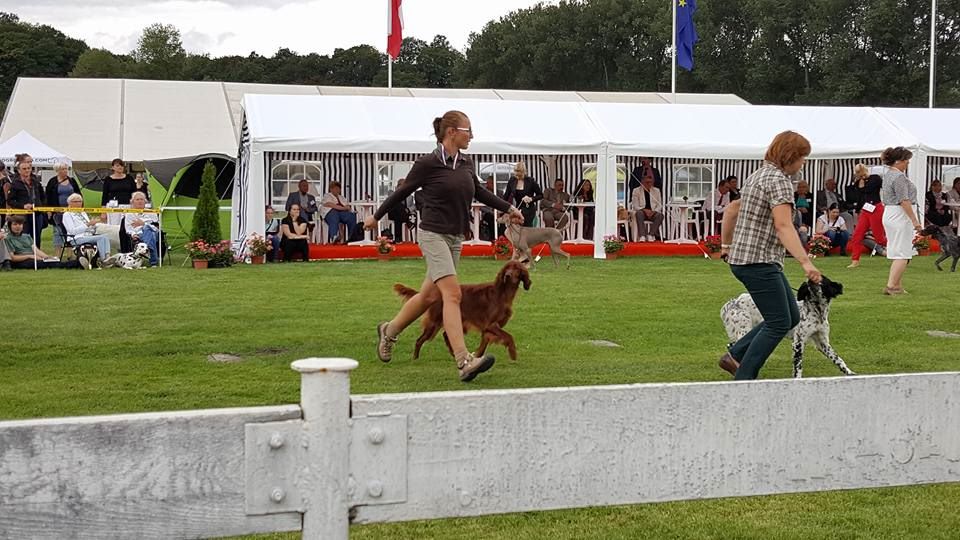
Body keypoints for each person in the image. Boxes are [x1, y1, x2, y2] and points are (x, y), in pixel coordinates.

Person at [364, 110, 523, 383]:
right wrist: (376, 216)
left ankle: (388, 331)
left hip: (454, 237)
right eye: (467, 130)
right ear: (452, 132)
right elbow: (401, 193)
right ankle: (464, 360)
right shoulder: (427, 163)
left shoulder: (466, 163)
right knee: (452, 296)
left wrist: (509, 207)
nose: (471, 135)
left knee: (429, 296)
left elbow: (479, 192)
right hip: (432, 234)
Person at [718, 130, 822, 380]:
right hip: (759, 262)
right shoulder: (779, 181)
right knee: (778, 322)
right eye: (802, 158)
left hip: (746, 259)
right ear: (791, 156)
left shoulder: (758, 175)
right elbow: (783, 226)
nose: (803, 164)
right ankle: (745, 375)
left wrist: (726, 245)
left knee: (790, 316)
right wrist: (806, 263)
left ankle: (736, 355)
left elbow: (733, 209)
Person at [879, 147, 921, 295]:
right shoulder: (899, 177)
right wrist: (915, 221)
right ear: (898, 161)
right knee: (903, 253)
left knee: (897, 251)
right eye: (906, 161)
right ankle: (891, 286)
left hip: (890, 213)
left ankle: (897, 286)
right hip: (899, 215)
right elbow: (904, 200)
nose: (907, 164)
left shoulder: (888, 175)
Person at [847, 163, 887, 267]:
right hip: (865, 210)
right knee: (857, 235)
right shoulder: (858, 182)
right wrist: (858, 209)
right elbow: (859, 196)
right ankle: (855, 260)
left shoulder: (875, 179)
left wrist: (862, 183)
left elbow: (868, 190)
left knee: (879, 238)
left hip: (876, 208)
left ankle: (898, 250)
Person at [3, 215, 76, 269]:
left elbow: (36, 250)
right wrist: (30, 256)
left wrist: (47, 257)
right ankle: (74, 264)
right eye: (15, 224)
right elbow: (13, 257)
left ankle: (76, 264)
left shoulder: (26, 236)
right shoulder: (8, 238)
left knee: (50, 261)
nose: (17, 227)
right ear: (10, 226)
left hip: (34, 258)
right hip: (21, 261)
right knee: (45, 264)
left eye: (20, 224)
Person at [7, 155, 47, 247]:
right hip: (23, 215)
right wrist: (23, 206)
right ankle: (25, 255)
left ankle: (37, 256)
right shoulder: (15, 183)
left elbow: (43, 196)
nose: (27, 170)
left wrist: (42, 208)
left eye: (29, 168)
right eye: (24, 169)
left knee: (37, 237)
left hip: (37, 214)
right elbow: (10, 201)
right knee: (24, 236)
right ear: (19, 170)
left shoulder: (35, 181)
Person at [61, 193, 111, 264]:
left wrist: (94, 225)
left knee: (105, 236)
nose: (79, 204)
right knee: (101, 238)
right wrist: (87, 224)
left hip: (88, 235)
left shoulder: (83, 213)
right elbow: (72, 231)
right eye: (76, 202)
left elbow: (89, 228)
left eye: (80, 201)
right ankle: (104, 260)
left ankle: (107, 257)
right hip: (77, 238)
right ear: (70, 203)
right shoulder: (67, 215)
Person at [45, 162, 82, 251]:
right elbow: (47, 196)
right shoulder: (52, 181)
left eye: (66, 169)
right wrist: (48, 210)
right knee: (57, 232)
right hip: (57, 211)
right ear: (57, 171)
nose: (65, 171)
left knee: (70, 231)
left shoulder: (72, 181)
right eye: (63, 169)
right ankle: (57, 254)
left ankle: (70, 253)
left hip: (71, 211)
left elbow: (78, 194)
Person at [123, 192, 161, 266]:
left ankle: (148, 250)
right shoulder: (129, 214)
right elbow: (128, 228)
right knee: (151, 234)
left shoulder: (151, 212)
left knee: (147, 229)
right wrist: (133, 234)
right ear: (133, 202)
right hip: (139, 235)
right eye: (137, 199)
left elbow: (157, 228)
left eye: (141, 199)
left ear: (145, 201)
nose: (140, 201)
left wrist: (143, 224)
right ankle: (153, 261)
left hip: (154, 233)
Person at [503, 162, 542, 227]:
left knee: (526, 228)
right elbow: (506, 195)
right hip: (518, 208)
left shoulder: (531, 181)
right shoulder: (512, 180)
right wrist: (501, 206)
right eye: (515, 171)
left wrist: (531, 199)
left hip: (529, 209)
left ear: (523, 172)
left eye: (518, 172)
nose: (516, 174)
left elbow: (540, 195)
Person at [630, 175, 664, 241]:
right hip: (642, 211)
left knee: (660, 216)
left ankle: (651, 234)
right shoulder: (636, 191)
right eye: (647, 182)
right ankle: (642, 236)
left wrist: (654, 211)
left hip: (653, 212)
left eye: (650, 182)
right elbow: (635, 205)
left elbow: (659, 204)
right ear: (642, 182)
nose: (649, 184)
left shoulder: (656, 191)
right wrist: (644, 210)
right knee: (639, 213)